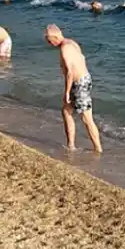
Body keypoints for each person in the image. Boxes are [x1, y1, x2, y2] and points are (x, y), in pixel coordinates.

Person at [44, 24, 102, 153]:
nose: (49, 43)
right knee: (66, 111)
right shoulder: (72, 43)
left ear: (56, 36)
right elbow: (82, 58)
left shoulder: (65, 48)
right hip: (85, 79)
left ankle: (98, 149)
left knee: (87, 118)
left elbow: (70, 71)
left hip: (79, 83)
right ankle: (71, 145)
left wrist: (67, 92)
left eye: (49, 40)